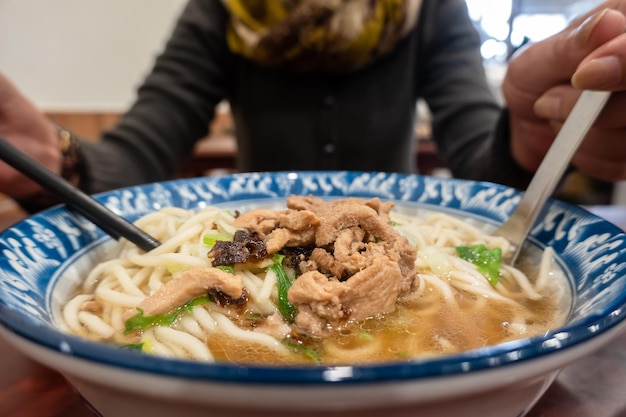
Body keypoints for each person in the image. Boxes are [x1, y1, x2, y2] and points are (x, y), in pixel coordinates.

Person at [1, 0, 626, 213]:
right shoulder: (223, 11)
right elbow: (144, 146)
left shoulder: (429, 7)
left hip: (407, 240)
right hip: (252, 247)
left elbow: (474, 158)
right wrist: (59, 159)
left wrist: (528, 137)